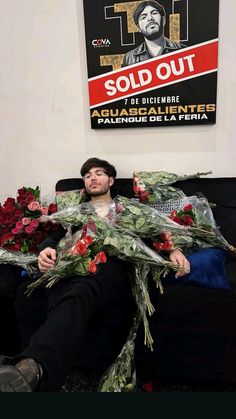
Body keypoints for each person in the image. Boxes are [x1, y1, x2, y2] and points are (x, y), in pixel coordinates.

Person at [0, 157, 190, 392]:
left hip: (113, 265)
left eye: (99, 173)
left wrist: (175, 250)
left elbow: (157, 231)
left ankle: (33, 367)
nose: (93, 178)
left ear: (110, 180)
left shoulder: (127, 208)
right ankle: (32, 372)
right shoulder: (75, 212)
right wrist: (46, 250)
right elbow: (56, 236)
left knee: (80, 290)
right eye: (88, 175)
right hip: (72, 264)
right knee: (61, 292)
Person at [122, 0, 186, 67]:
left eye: (154, 13)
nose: (150, 18)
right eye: (143, 17)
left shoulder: (183, 50)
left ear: (163, 20)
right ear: (138, 28)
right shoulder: (129, 59)